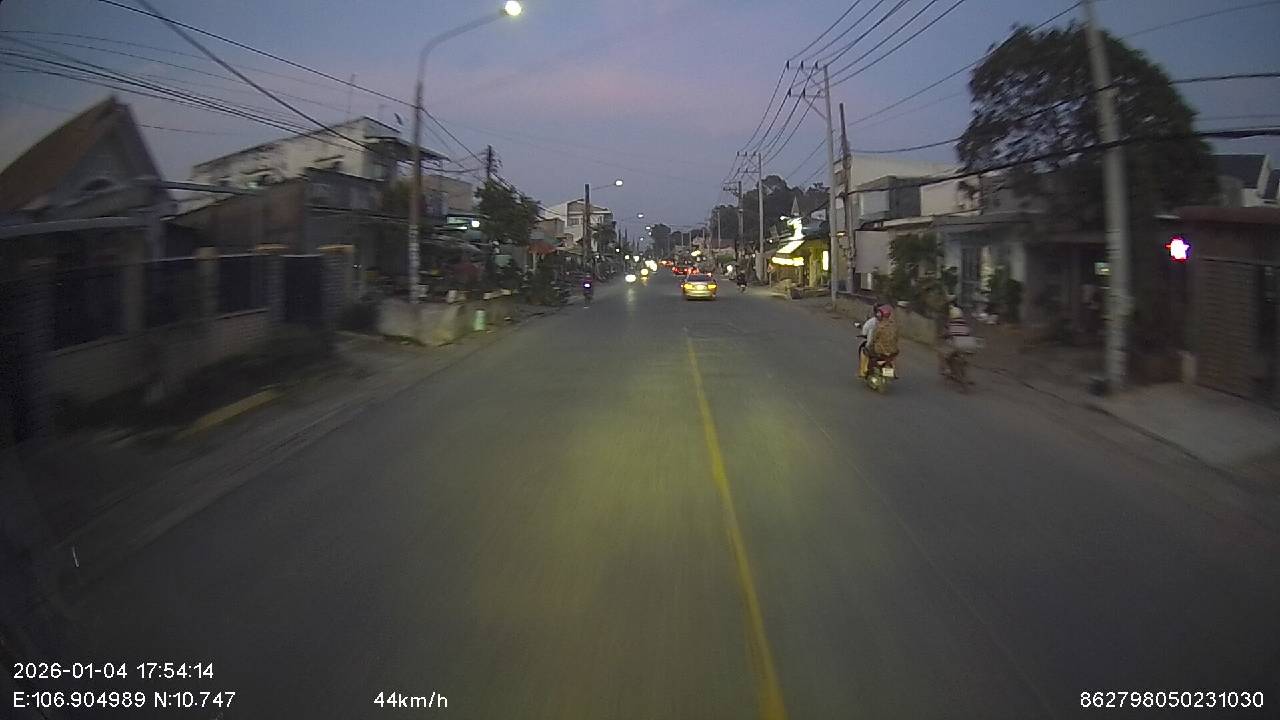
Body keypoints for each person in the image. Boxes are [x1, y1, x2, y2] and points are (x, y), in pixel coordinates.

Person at [859, 304, 899, 377]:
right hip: (893, 351)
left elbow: (873, 338)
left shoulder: (877, 324)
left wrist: (870, 344)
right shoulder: (894, 325)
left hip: (880, 350)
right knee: (890, 358)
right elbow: (896, 338)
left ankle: (863, 371)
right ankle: (891, 372)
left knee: (864, 351)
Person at [938, 304, 974, 375]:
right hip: (967, 344)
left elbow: (946, 333)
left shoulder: (950, 323)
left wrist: (942, 336)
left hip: (956, 344)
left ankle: (946, 369)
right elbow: (968, 333)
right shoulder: (964, 323)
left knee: (941, 353)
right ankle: (961, 366)